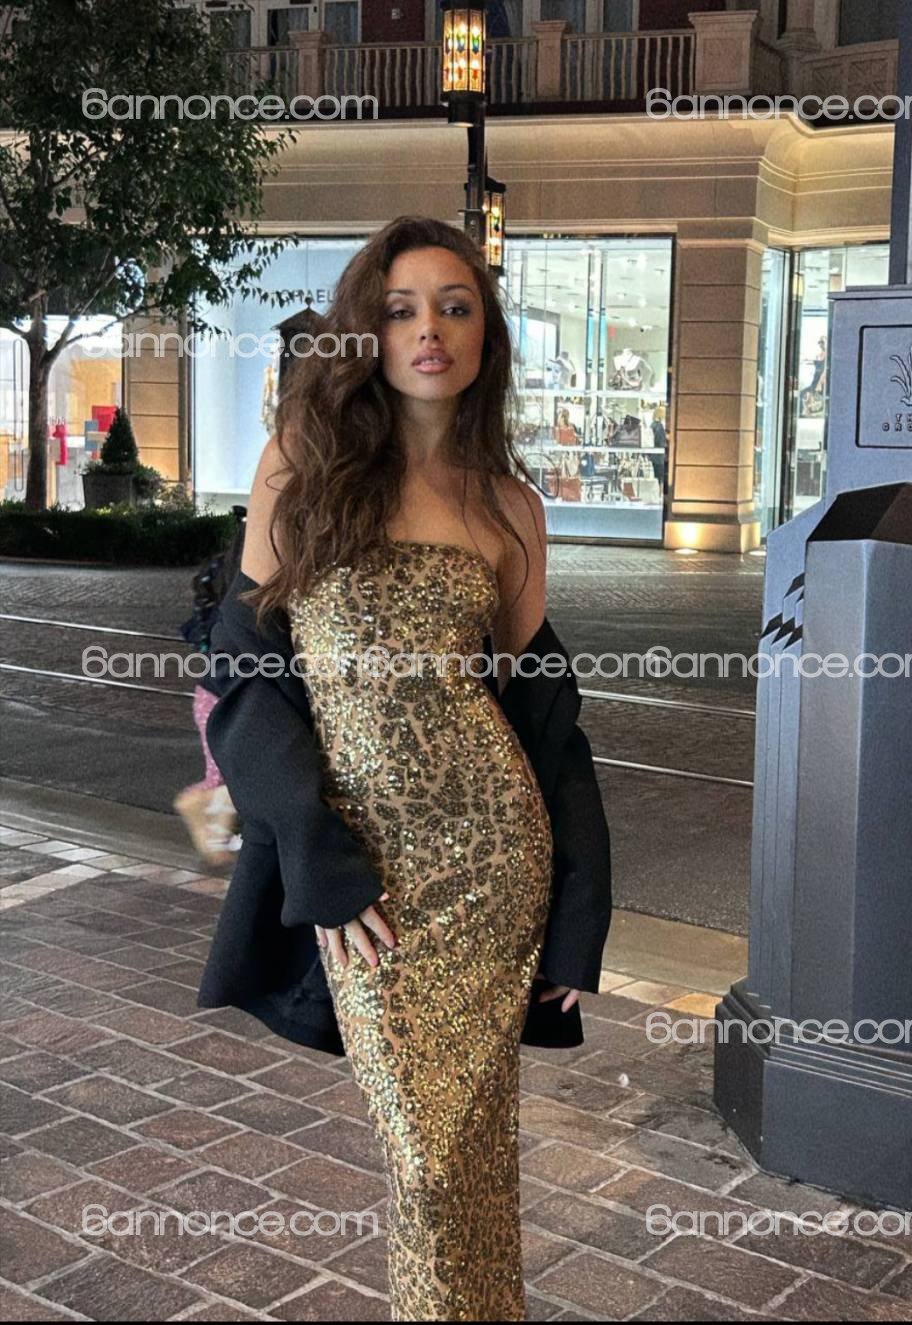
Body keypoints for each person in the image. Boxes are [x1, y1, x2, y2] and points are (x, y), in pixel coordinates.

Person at [207, 215, 611, 1321]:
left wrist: (578, 911)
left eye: (454, 306)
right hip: (364, 877)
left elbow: (545, 724)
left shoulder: (510, 507)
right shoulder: (302, 466)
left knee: (464, 1155)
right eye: (400, 308)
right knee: (429, 1158)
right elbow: (248, 679)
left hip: (495, 865)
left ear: (485, 336)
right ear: (367, 334)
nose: (429, 328)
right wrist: (315, 855)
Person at [173, 508, 246, 864]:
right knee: (241, 780)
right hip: (230, 697)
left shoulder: (223, 579)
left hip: (211, 694)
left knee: (225, 780)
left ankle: (220, 841)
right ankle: (219, 838)